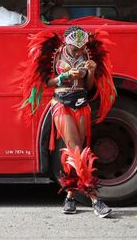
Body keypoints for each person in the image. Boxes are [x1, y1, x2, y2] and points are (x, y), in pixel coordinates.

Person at [17, 26, 116, 218]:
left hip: (82, 104)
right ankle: (96, 199)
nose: (79, 51)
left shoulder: (87, 54)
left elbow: (89, 87)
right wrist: (64, 76)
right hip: (61, 104)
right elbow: (46, 82)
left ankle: (70, 196)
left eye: (82, 48)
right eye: (75, 48)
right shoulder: (53, 53)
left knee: (77, 151)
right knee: (77, 150)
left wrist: (91, 73)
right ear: (66, 43)